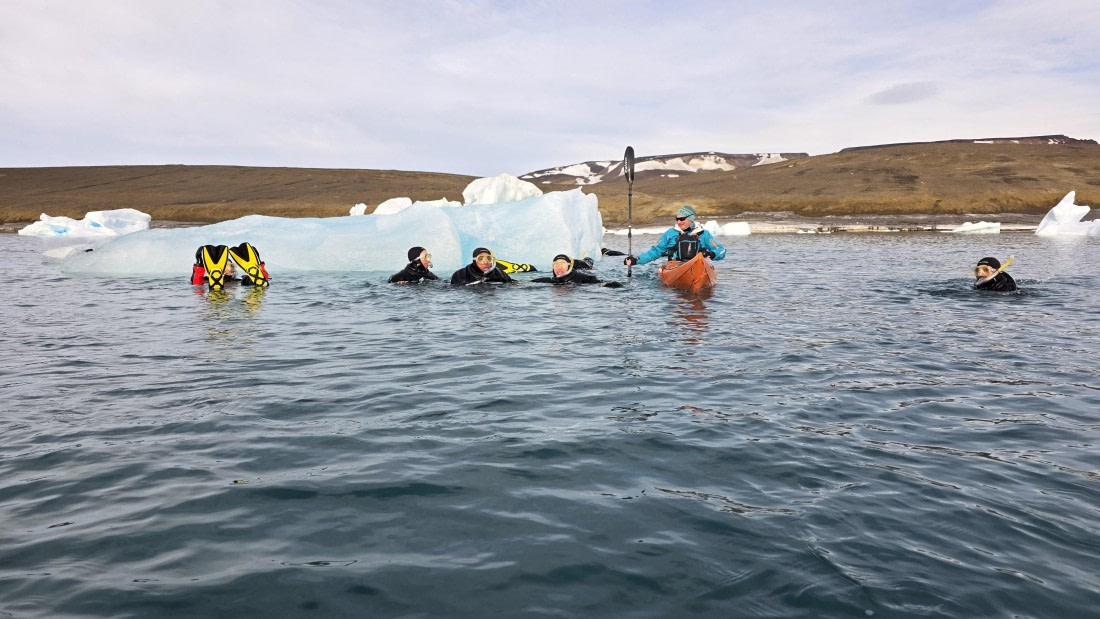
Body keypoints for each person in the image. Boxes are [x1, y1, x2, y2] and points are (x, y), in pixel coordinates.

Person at [623, 205, 726, 266]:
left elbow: (721, 249)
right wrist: (636, 260)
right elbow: (655, 251)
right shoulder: (670, 234)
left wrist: (712, 254)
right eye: (677, 219)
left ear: (691, 219)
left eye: (682, 219)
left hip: (698, 266)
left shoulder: (704, 234)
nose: (679, 222)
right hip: (675, 267)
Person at [531, 254, 622, 288]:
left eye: (562, 264)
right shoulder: (551, 280)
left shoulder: (584, 278)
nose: (559, 267)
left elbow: (599, 283)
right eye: (556, 265)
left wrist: (606, 285)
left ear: (570, 266)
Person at [450, 247, 515, 285]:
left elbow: (512, 284)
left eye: (489, 258)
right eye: (481, 259)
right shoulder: (461, 275)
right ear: (474, 261)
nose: (485, 262)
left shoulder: (500, 274)